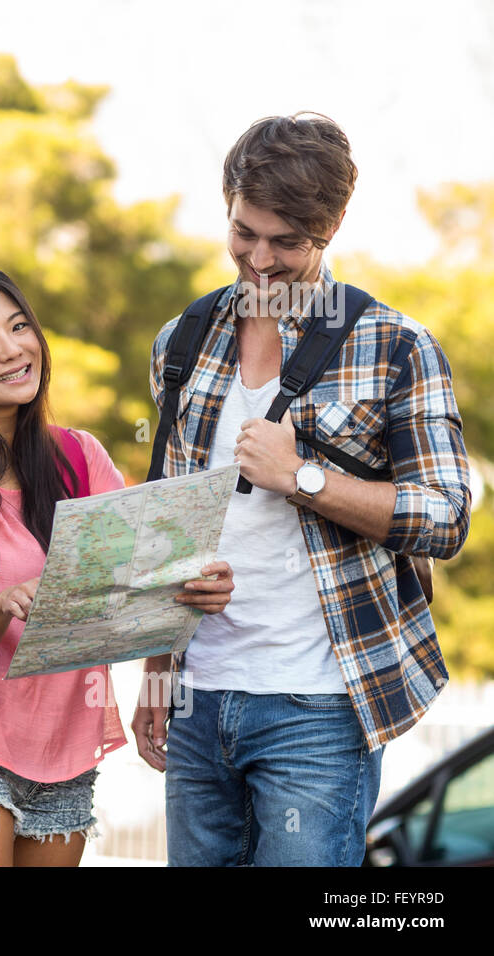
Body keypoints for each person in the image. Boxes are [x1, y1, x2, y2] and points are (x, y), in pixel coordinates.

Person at [134, 113, 473, 866]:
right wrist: (157, 675)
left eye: (286, 242)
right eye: (243, 232)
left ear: (334, 225)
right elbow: (167, 522)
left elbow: (446, 518)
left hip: (317, 707)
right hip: (199, 700)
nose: (259, 260)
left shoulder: (395, 347)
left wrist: (303, 478)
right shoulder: (180, 343)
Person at [0, 263, 234, 866]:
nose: (12, 350)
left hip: (65, 754)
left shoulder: (80, 458)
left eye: (18, 327)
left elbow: (141, 587)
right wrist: (2, 606)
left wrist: (194, 585)